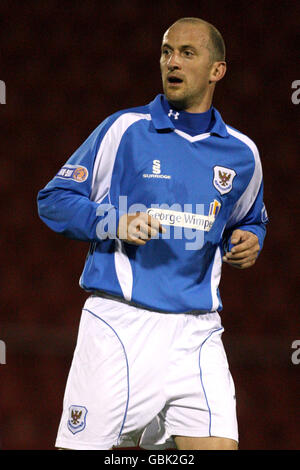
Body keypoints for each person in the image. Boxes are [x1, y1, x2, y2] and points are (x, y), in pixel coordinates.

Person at [37, 17, 268, 451]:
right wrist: (112, 222)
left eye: (186, 52)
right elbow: (53, 199)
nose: (172, 62)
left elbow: (250, 218)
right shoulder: (124, 129)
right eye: (166, 52)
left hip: (198, 331)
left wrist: (253, 239)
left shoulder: (242, 154)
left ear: (217, 70)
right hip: (121, 324)